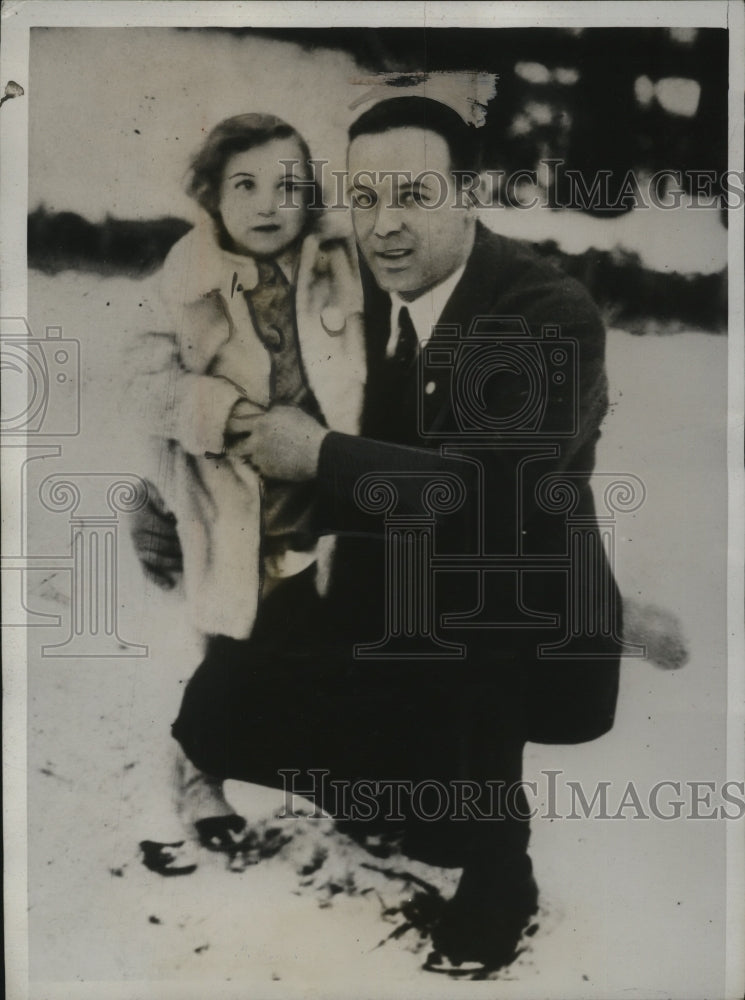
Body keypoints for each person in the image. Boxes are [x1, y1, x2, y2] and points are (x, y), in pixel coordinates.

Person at [134, 97, 622, 971]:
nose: (385, 224)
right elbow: (205, 360)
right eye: (364, 198)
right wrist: (164, 503)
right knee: (221, 711)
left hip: (518, 616)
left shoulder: (545, 312)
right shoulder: (364, 290)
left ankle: (499, 875)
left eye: (413, 194)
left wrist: (319, 454)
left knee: (485, 594)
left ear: (469, 192)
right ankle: (403, 792)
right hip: (392, 599)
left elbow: (490, 497)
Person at [126, 112, 365, 872]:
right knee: (229, 645)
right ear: (211, 194)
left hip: (318, 489)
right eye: (246, 185)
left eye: (288, 186)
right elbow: (140, 381)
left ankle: (334, 774)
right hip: (230, 498)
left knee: (314, 642)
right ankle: (198, 778)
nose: (269, 204)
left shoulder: (333, 261)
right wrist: (218, 414)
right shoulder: (183, 276)